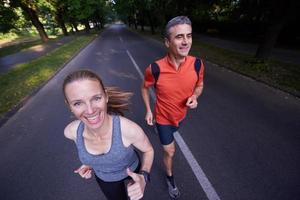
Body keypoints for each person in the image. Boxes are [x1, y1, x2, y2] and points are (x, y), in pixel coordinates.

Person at [63, 69, 154, 200]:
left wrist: (144, 176)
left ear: (105, 97)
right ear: (69, 106)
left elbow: (149, 150)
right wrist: (90, 163)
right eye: (78, 103)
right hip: (105, 178)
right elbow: (87, 152)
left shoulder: (128, 129)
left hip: (132, 168)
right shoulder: (70, 132)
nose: (90, 110)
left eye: (96, 98)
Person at [141, 16, 204, 199]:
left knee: (175, 131)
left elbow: (199, 85)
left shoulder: (198, 64)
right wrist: (148, 110)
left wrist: (194, 96)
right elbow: (144, 88)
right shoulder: (155, 69)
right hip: (163, 118)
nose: (186, 42)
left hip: (180, 117)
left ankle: (165, 133)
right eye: (179, 37)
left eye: (189, 36)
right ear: (167, 42)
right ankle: (170, 179)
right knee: (170, 150)